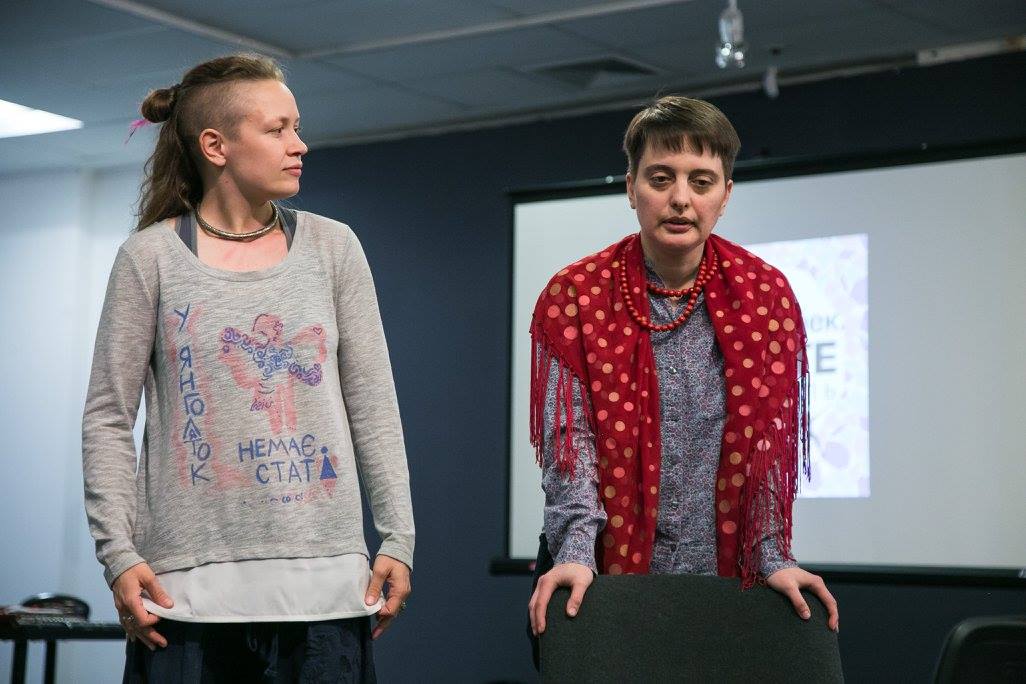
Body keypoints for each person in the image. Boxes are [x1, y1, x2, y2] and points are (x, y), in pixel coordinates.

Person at [82, 53, 414, 682]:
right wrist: (118, 554)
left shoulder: (334, 247)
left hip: (324, 593)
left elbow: (373, 402)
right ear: (216, 146)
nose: (299, 145)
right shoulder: (149, 258)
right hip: (188, 597)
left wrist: (399, 536)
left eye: (297, 127)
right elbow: (108, 417)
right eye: (277, 129)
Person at [526, 96, 838, 646]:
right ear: (631, 188)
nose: (680, 199)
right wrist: (575, 551)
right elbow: (569, 444)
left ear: (726, 195)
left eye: (701, 181)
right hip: (600, 578)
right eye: (660, 178)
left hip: (726, 582)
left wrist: (772, 554)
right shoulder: (573, 295)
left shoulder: (767, 296)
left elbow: (767, 450)